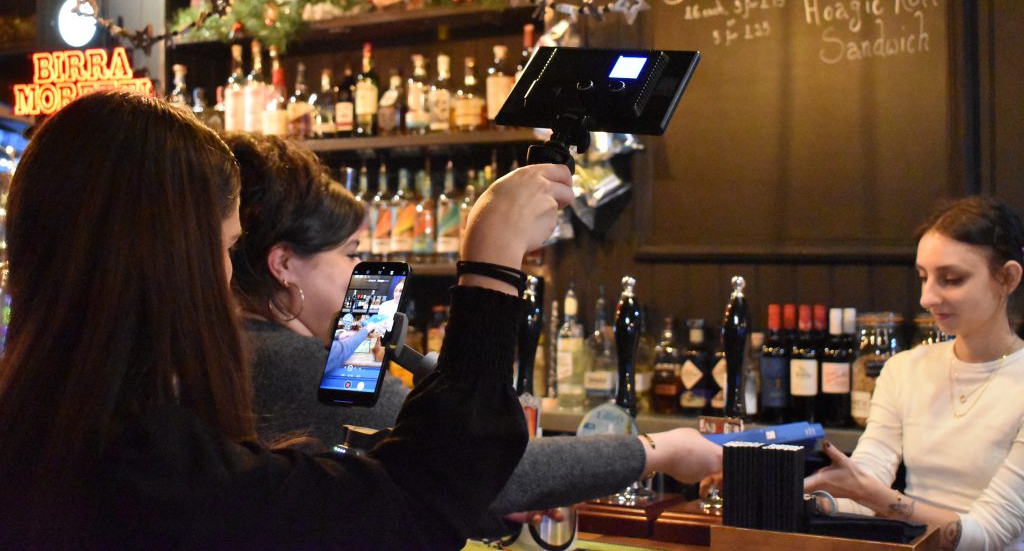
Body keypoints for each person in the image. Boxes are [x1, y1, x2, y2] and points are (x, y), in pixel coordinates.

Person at [0, 91, 571, 547]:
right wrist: (493, 266)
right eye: (225, 248)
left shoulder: (44, 433)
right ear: (170, 259)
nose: (226, 275)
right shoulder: (152, 464)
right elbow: (412, 502)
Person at [225, 132, 724, 518]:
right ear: (284, 264)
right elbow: (480, 461)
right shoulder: (303, 365)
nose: (362, 271)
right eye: (351, 253)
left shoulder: (236, 349)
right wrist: (661, 449)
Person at [805, 196, 1024, 551]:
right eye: (923, 277)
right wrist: (796, 496)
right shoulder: (905, 369)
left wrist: (883, 500)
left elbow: (990, 534)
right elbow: (866, 477)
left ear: (1007, 278)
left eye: (950, 279)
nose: (927, 297)